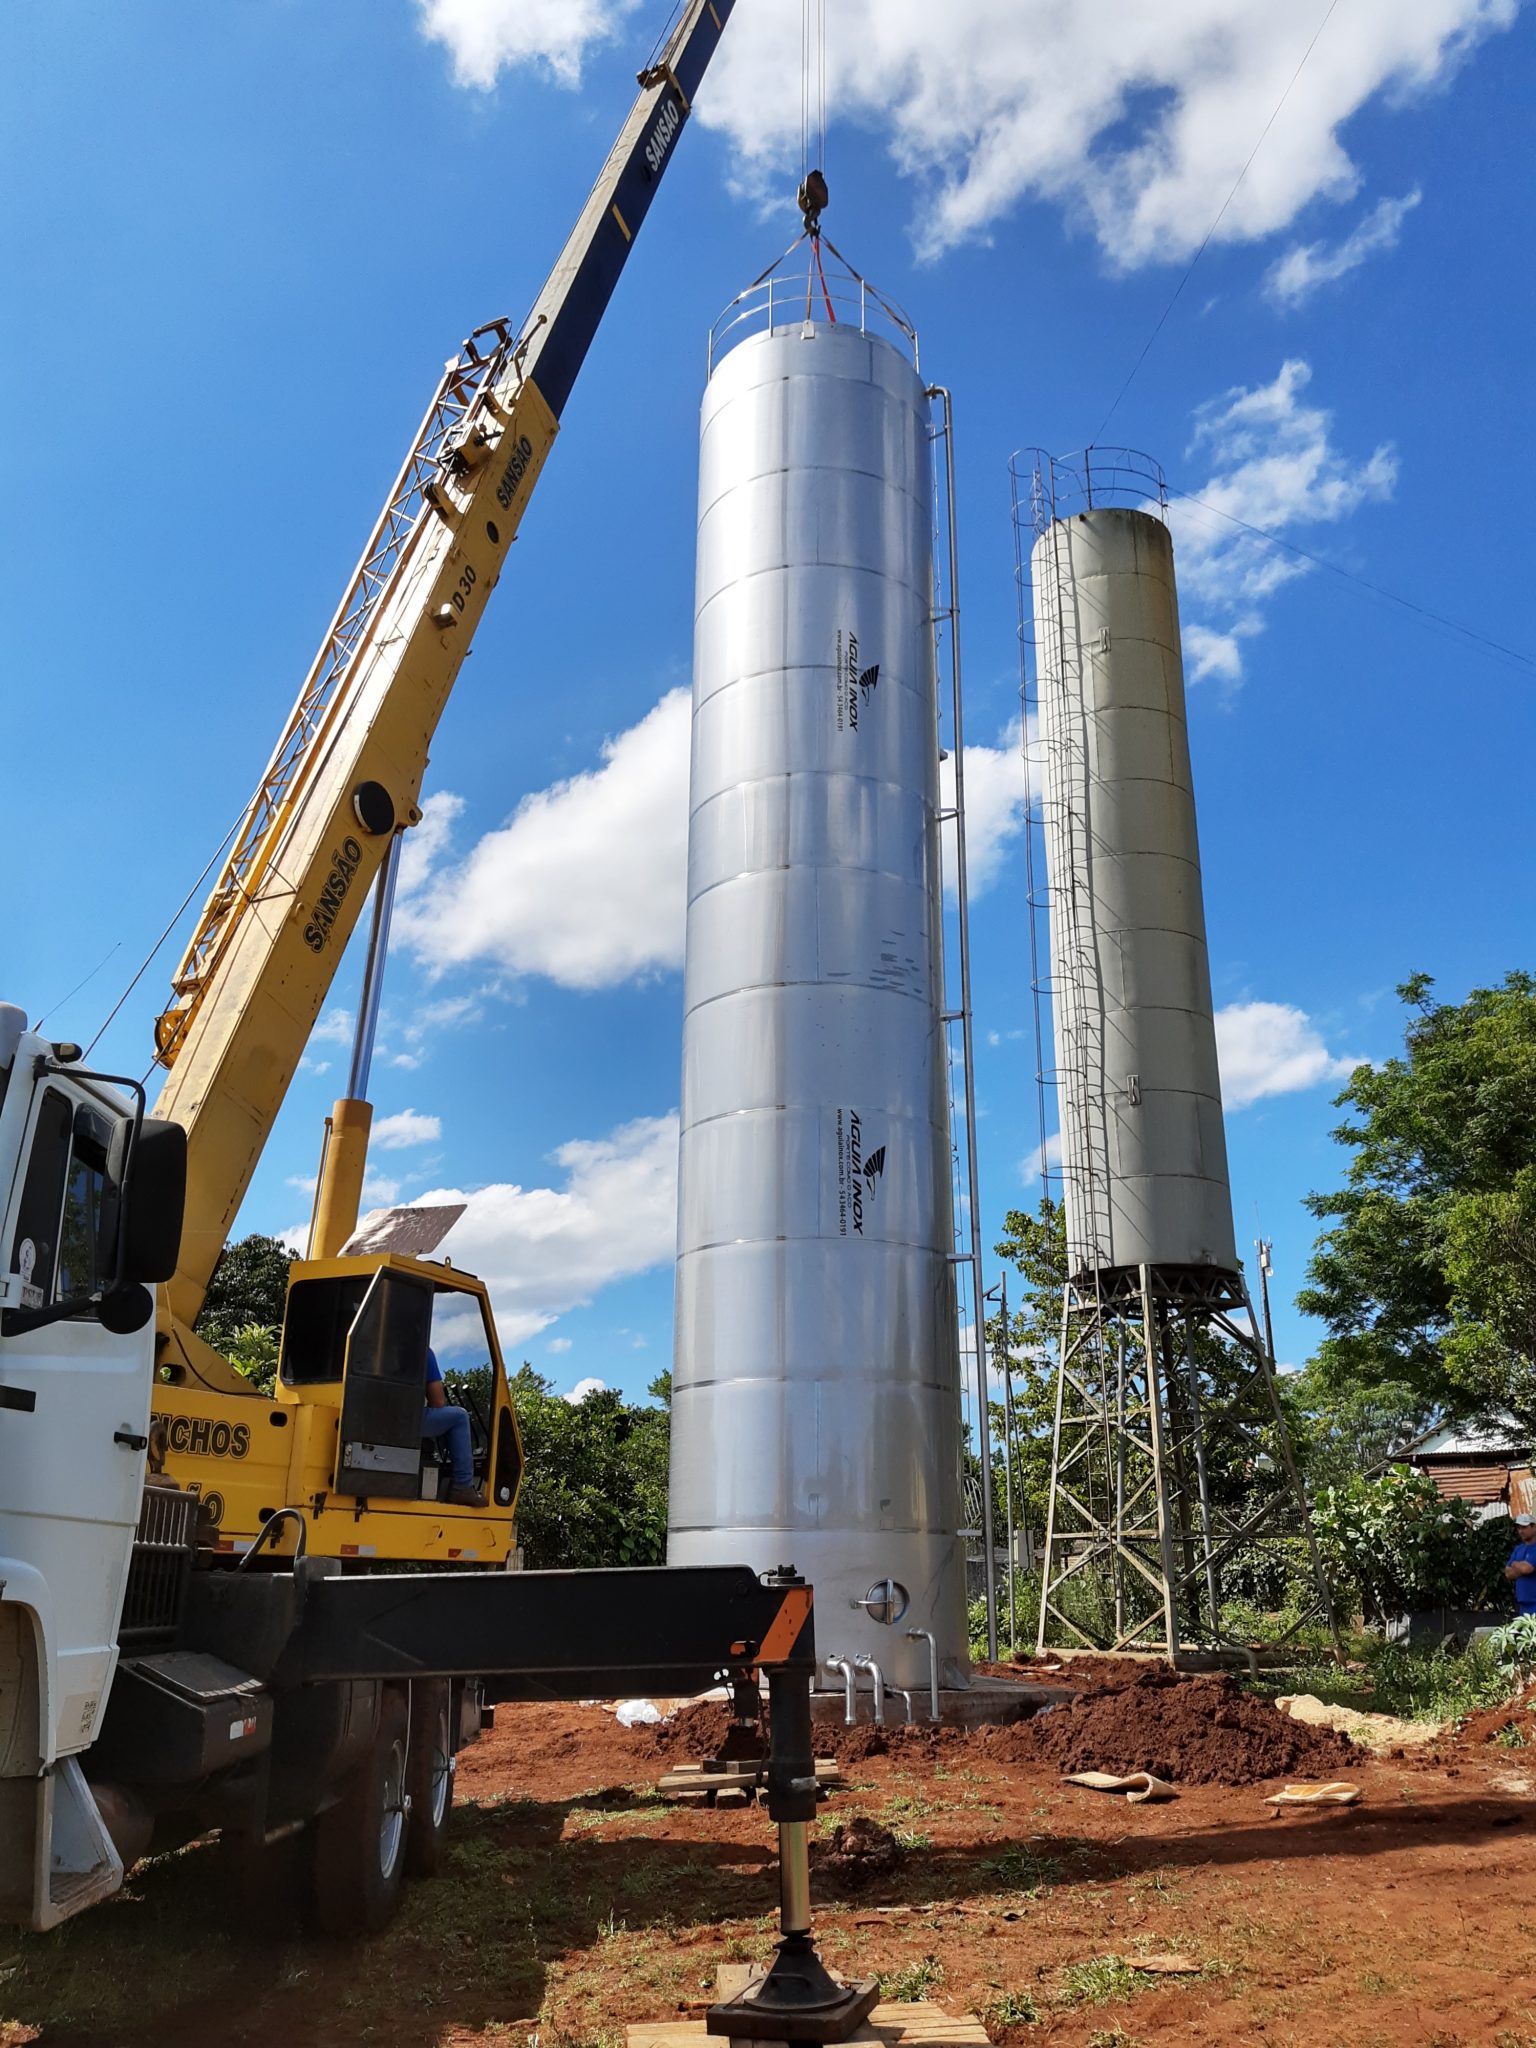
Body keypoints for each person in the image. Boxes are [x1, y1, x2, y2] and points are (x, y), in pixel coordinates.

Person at [421, 1347, 485, 1508]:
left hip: (370, 1419)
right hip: (405, 1420)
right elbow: (438, 1401)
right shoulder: (422, 1350)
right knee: (459, 1416)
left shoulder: (371, 1343)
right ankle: (462, 1486)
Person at [1505, 1511, 1536, 1613]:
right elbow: (1508, 1573)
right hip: (1522, 1604)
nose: (1521, 1531)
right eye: (1519, 1528)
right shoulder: (1518, 1549)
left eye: (1524, 1527)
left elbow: (1526, 1569)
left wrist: (1514, 1563)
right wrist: (1521, 1567)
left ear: (1534, 1527)